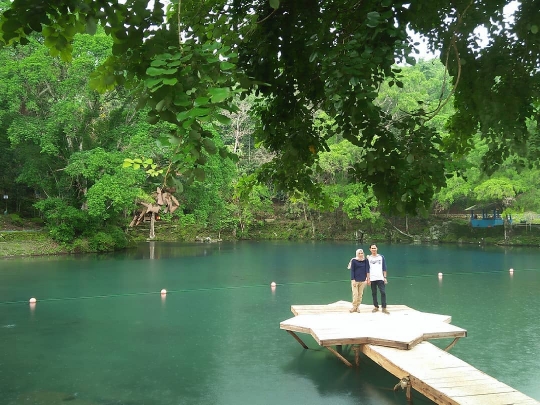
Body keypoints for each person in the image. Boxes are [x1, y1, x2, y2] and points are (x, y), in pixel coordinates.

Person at [367, 244, 389, 314]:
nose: (374, 249)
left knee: (383, 292)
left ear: (377, 248)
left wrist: (385, 277)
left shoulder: (381, 257)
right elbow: (367, 269)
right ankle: (376, 307)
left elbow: (384, 268)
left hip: (380, 278)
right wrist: (368, 279)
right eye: (372, 248)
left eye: (375, 248)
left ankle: (384, 307)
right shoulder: (368, 258)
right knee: (374, 293)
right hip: (372, 278)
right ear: (370, 249)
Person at [347, 248, 370, 313]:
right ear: (357, 254)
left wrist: (368, 279)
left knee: (360, 294)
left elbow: (367, 270)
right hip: (355, 280)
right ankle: (354, 306)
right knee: (355, 294)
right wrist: (353, 280)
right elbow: (352, 271)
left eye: (361, 253)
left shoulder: (365, 260)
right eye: (359, 253)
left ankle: (357, 307)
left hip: (363, 280)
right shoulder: (354, 260)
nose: (360, 254)